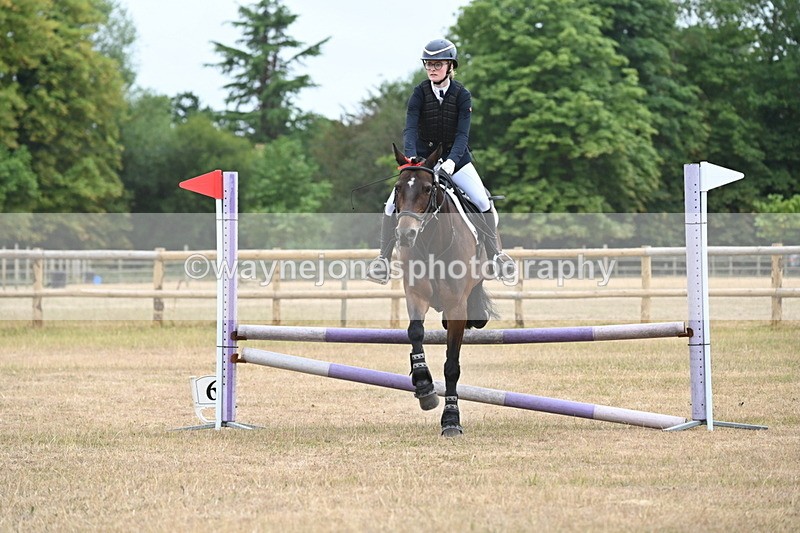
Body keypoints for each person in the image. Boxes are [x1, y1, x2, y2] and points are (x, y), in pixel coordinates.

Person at [367, 38, 517, 284]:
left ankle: (496, 256)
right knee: (390, 205)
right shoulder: (418, 93)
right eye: (428, 64)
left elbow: (462, 136)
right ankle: (383, 260)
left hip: (457, 161)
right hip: (423, 162)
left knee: (481, 200)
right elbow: (410, 129)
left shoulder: (462, 96)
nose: (432, 68)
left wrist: (451, 161)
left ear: (450, 66)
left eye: (437, 64)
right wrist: (413, 156)